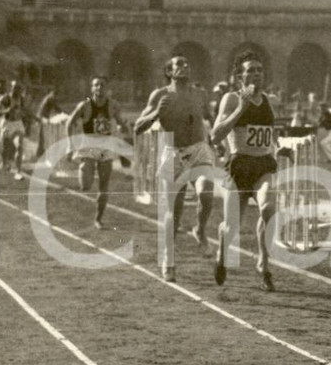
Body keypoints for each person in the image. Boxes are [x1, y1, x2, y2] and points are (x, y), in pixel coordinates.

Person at [134, 56, 216, 282]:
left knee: (206, 193)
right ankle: (168, 262)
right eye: (179, 64)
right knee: (173, 213)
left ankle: (199, 229)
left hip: (198, 149)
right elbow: (137, 127)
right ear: (169, 71)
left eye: (187, 63)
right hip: (172, 153)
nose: (185, 66)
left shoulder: (200, 94)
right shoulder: (160, 95)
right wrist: (155, 114)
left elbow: (213, 121)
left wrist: (221, 142)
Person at [210, 51, 280, 292]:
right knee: (231, 228)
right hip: (239, 167)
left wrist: (279, 147)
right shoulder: (230, 99)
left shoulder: (269, 100)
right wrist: (241, 107)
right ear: (240, 76)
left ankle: (263, 263)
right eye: (250, 70)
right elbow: (215, 135)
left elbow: (267, 133)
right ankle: (222, 251)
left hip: (263, 165)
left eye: (259, 69)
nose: (256, 74)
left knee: (269, 209)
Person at [67, 76, 126, 230]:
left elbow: (121, 123)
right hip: (88, 145)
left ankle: (98, 219)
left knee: (104, 185)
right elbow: (69, 122)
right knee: (85, 186)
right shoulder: (85, 105)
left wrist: (123, 127)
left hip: (105, 147)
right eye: (96, 85)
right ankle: (87, 169)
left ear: (106, 88)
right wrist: (70, 145)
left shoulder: (113, 105)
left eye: (102, 85)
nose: (99, 88)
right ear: (92, 89)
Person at [0, 80, 32, 180]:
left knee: (19, 146)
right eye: (14, 88)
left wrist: (34, 119)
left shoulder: (22, 99)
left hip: (18, 124)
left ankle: (18, 172)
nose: (16, 90)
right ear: (11, 88)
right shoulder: (6, 98)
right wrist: (6, 110)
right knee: (4, 146)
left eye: (18, 88)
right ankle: (4, 162)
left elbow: (26, 111)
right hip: (7, 124)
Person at [36, 88, 63, 159]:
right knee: (44, 133)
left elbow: (55, 108)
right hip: (42, 116)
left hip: (43, 116)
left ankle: (41, 151)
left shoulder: (49, 97)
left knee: (43, 134)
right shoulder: (50, 98)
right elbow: (56, 108)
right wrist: (63, 113)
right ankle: (41, 151)